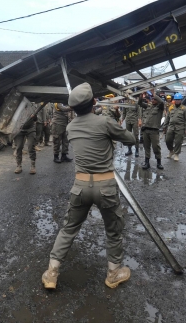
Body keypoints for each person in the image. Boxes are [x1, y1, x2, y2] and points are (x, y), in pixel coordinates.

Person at [42, 83, 135, 290]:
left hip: (80, 186)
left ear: (73, 109)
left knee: (68, 229)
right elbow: (130, 139)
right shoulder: (105, 122)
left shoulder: (70, 127)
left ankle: (51, 272)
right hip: (106, 186)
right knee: (113, 230)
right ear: (94, 102)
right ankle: (113, 273)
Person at [138, 89, 165, 170]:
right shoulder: (149, 106)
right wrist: (140, 96)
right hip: (146, 130)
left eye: (154, 99)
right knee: (146, 147)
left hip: (154, 131)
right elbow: (140, 103)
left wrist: (154, 94)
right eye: (152, 99)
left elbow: (162, 102)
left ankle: (159, 163)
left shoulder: (160, 108)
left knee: (156, 147)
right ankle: (147, 163)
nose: (152, 100)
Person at [14, 103, 39, 175]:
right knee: (18, 147)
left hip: (30, 129)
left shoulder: (32, 106)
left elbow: (36, 119)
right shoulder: (17, 106)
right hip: (19, 129)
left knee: (31, 147)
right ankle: (19, 165)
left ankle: (33, 166)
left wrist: (34, 117)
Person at [164, 93, 186, 161]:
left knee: (178, 141)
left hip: (180, 127)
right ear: (174, 100)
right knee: (168, 140)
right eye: (176, 100)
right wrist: (164, 126)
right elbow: (167, 118)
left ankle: (176, 154)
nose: (177, 101)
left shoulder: (184, 108)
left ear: (181, 100)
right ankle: (171, 151)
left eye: (179, 100)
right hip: (171, 126)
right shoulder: (171, 107)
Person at [121, 91, 141, 157]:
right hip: (128, 120)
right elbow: (124, 112)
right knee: (128, 136)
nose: (128, 95)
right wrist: (122, 119)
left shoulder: (136, 102)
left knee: (135, 135)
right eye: (127, 94)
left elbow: (139, 112)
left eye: (129, 94)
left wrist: (139, 120)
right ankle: (129, 150)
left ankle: (137, 150)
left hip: (134, 120)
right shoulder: (125, 102)